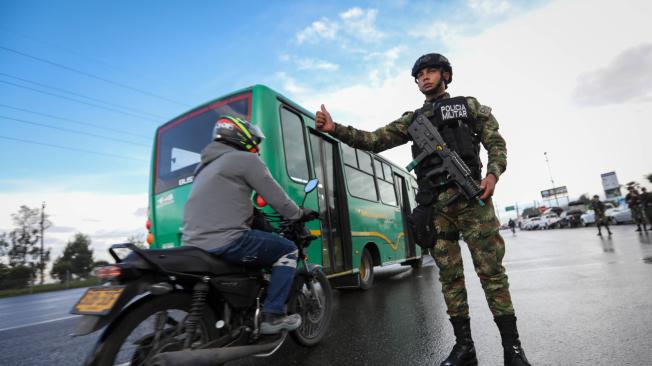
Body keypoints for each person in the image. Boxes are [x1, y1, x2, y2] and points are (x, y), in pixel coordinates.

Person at [316, 53, 531, 366]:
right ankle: (464, 348)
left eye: (431, 72)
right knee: (450, 279)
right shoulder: (412, 120)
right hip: (435, 206)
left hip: (473, 200)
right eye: (419, 75)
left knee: (492, 274)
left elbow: (496, 143)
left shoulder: (470, 106)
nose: (425, 78)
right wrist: (336, 129)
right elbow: (375, 139)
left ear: (445, 75)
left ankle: (512, 349)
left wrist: (493, 174)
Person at [182, 115, 315, 334]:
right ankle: (272, 315)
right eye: (255, 142)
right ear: (242, 137)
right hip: (226, 240)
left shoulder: (204, 168)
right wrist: (298, 213)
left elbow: (227, 204)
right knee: (287, 250)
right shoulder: (244, 159)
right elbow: (278, 199)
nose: (256, 148)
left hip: (194, 244)